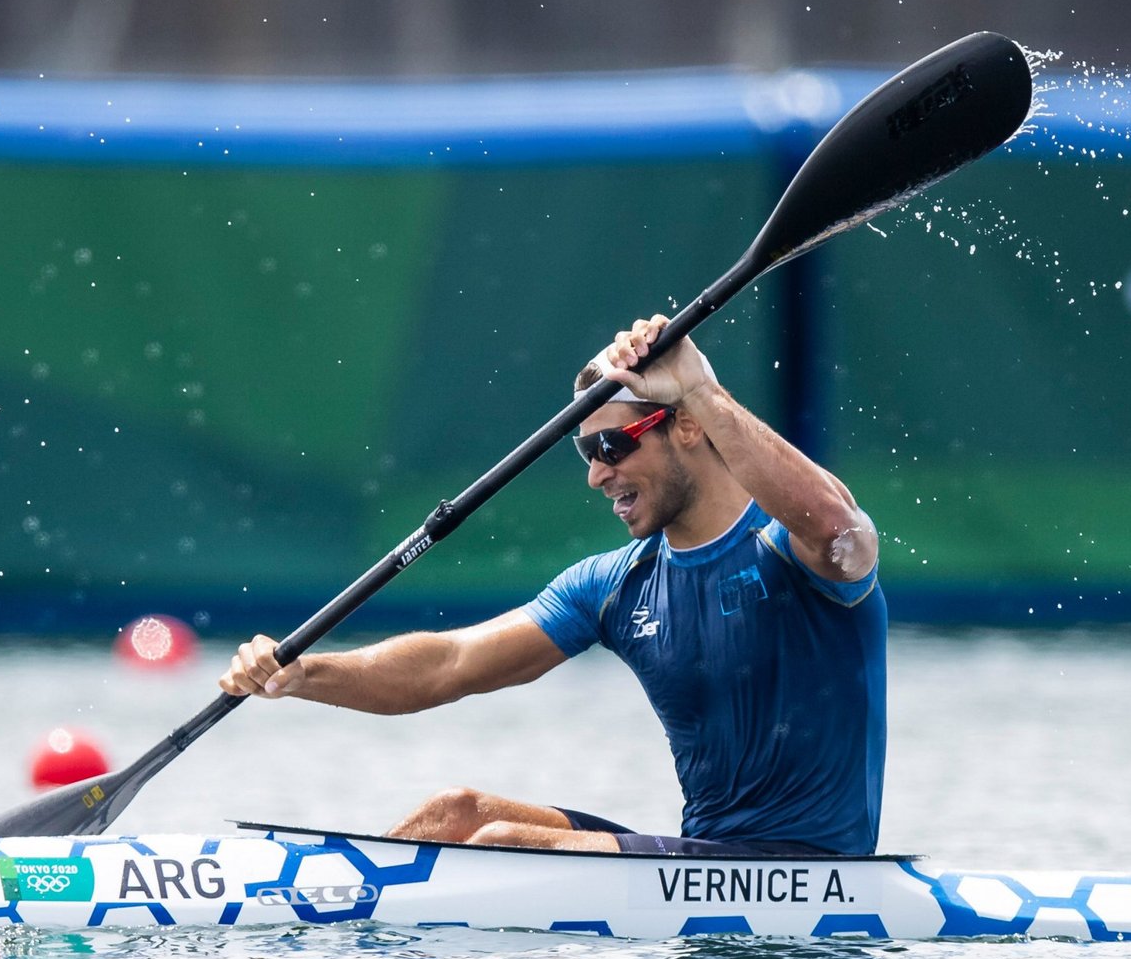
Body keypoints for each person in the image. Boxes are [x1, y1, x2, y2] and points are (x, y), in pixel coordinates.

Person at [220, 313, 886, 856]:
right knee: (455, 814)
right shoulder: (616, 585)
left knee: (507, 842)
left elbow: (839, 530)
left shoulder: (792, 548)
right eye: (584, 453)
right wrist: (304, 674)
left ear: (686, 427)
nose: (597, 476)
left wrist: (701, 389)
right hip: (705, 858)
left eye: (612, 447)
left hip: (814, 867)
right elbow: (449, 664)